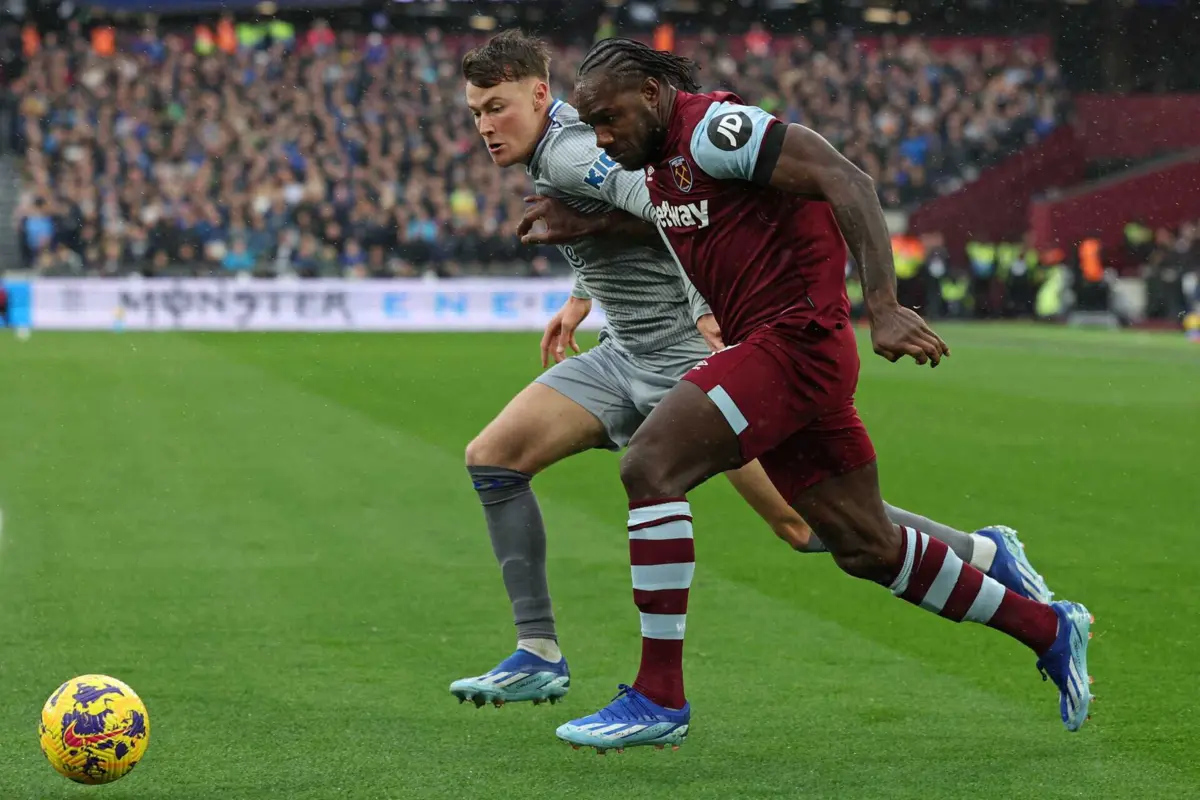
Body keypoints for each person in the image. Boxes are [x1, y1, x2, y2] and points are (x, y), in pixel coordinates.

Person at [450, 31, 1057, 716]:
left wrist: (704, 306)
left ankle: (982, 553)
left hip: (691, 357)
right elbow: (625, 218)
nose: (484, 127)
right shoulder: (560, 148)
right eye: (475, 112)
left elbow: (673, 205)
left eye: (496, 107)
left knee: (807, 524)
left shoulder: (573, 151)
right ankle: (537, 654)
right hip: (624, 357)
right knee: (493, 459)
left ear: (539, 94)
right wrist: (581, 297)